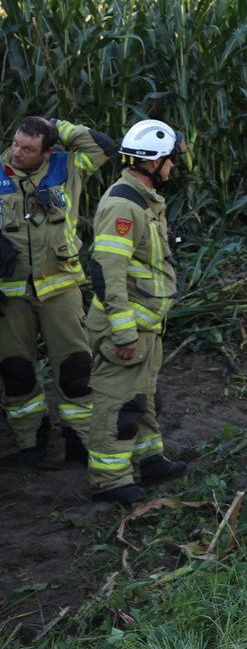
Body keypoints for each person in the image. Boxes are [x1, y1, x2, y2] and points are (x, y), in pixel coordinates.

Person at [0, 115, 116, 469]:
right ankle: (30, 445)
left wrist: (55, 124)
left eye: (28, 148)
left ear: (47, 151)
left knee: (75, 370)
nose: (17, 153)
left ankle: (80, 442)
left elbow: (105, 146)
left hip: (61, 284)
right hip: (9, 292)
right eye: (16, 143)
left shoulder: (70, 165)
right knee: (15, 372)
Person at [84, 119, 189, 504]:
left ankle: (148, 460)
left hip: (147, 324)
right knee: (118, 402)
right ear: (152, 162)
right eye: (168, 161)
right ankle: (110, 480)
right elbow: (108, 272)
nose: (172, 167)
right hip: (126, 328)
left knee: (143, 395)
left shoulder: (144, 200)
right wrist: (123, 331)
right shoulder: (122, 204)